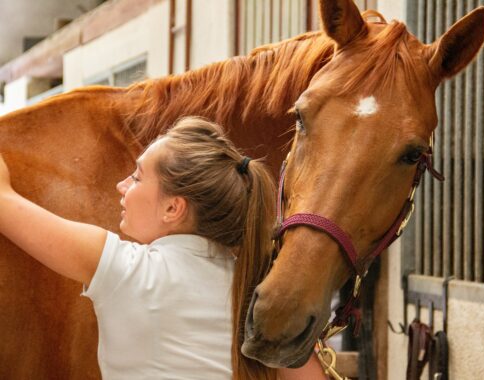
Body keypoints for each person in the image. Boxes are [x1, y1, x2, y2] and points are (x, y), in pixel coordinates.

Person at [0, 116, 327, 379]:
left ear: (173, 208)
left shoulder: (124, 270)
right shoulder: (254, 291)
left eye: (137, 177)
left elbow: (3, 201)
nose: (122, 186)